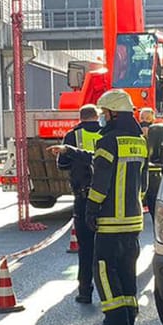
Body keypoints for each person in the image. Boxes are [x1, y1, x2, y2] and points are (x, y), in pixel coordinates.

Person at [49, 89, 147, 325]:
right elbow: (143, 183)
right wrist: (71, 150)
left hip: (111, 219)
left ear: (113, 113)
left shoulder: (108, 141)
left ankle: (114, 323)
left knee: (102, 268)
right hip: (133, 219)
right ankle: (128, 316)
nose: (103, 117)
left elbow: (101, 180)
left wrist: (91, 209)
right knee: (126, 269)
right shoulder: (139, 141)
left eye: (104, 113)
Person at [57, 104, 103, 304]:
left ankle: (85, 291)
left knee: (85, 248)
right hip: (105, 198)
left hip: (82, 197)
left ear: (81, 117)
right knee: (106, 247)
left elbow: (62, 164)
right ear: (97, 117)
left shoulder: (72, 136)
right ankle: (108, 293)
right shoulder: (106, 133)